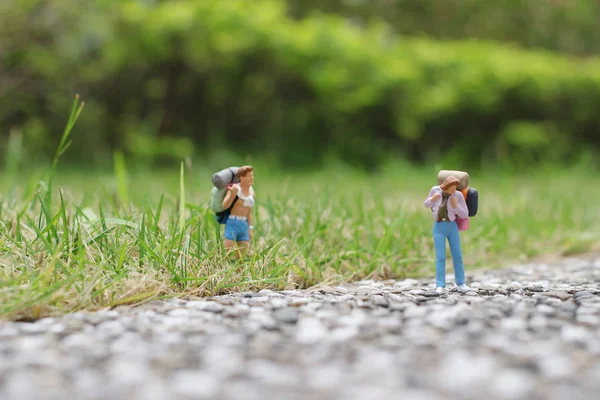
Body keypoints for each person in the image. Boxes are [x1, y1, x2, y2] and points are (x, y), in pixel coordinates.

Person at [424, 175, 472, 294]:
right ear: (446, 185)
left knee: (457, 255)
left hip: (452, 226)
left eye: (455, 188)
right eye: (451, 188)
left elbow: (465, 213)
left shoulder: (458, 195)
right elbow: (426, 204)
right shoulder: (435, 191)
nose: (453, 190)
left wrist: (455, 207)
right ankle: (440, 284)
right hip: (439, 226)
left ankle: (461, 283)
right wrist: (432, 200)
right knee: (440, 257)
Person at [221, 165, 255, 257]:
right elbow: (225, 206)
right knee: (227, 249)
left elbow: (249, 212)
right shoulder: (235, 189)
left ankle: (240, 270)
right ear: (241, 178)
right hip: (233, 222)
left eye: (252, 176)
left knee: (242, 253)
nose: (251, 178)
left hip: (243, 224)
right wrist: (232, 194)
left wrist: (250, 228)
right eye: (249, 176)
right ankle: (222, 266)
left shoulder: (252, 192)